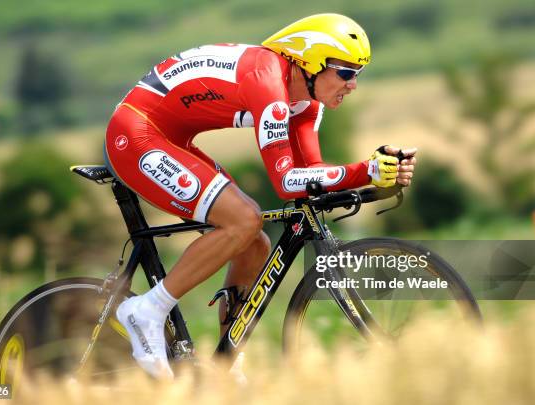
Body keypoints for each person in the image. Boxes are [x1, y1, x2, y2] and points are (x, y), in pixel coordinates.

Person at [106, 13, 417, 379]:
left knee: (254, 243)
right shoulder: (268, 84)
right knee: (243, 219)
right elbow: (287, 182)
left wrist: (377, 177)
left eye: (357, 75)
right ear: (311, 63)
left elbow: (311, 178)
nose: (352, 85)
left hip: (173, 137)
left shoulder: (307, 102)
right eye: (346, 73)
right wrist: (364, 171)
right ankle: (146, 310)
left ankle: (225, 365)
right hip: (137, 132)